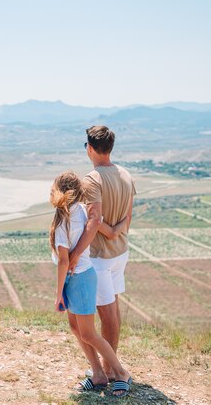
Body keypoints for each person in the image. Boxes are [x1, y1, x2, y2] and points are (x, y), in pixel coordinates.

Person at [50, 171, 132, 397]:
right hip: (75, 278)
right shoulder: (84, 212)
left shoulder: (62, 221)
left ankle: (121, 373)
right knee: (77, 328)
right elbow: (107, 230)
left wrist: (58, 295)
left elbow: (64, 261)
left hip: (80, 278)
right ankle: (97, 374)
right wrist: (121, 225)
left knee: (88, 333)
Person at [69, 125, 136, 382]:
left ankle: (110, 371)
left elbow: (94, 220)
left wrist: (75, 254)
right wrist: (115, 230)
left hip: (99, 257)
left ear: (89, 148)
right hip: (120, 251)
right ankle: (109, 367)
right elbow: (128, 217)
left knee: (106, 315)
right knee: (114, 311)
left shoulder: (91, 180)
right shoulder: (126, 175)